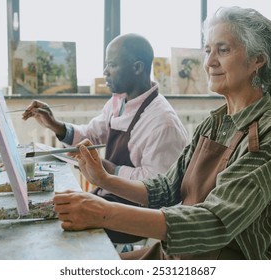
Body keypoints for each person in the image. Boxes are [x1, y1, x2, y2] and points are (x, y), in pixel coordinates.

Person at [52, 6, 271, 260]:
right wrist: (104, 179)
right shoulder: (214, 124)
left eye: (223, 50)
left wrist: (103, 213)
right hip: (182, 255)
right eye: (208, 51)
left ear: (257, 60)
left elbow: (214, 222)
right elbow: (166, 187)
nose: (209, 62)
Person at [22, 33, 188, 244]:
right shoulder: (119, 101)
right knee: (55, 210)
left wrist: (107, 169)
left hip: (135, 214)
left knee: (60, 228)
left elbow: (160, 191)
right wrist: (54, 125)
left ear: (137, 68)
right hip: (110, 196)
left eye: (111, 65)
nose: (104, 72)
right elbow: (91, 133)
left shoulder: (163, 123)